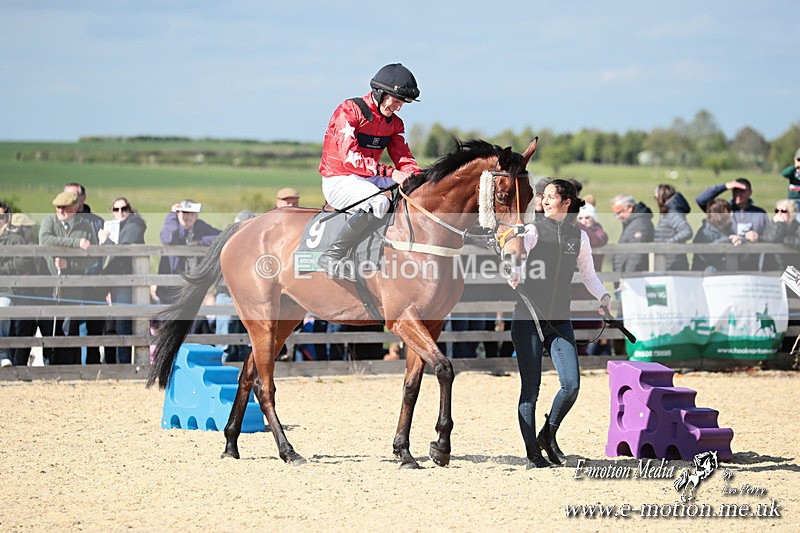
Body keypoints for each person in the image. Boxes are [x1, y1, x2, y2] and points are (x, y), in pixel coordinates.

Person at [508, 179, 611, 468]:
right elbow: (515, 253)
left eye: (551, 197)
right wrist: (513, 270)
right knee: (531, 389)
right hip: (528, 319)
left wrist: (603, 295)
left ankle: (547, 434)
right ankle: (532, 452)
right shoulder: (532, 230)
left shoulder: (579, 237)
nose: (545, 201)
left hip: (559, 321)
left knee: (571, 385)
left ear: (566, 202)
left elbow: (589, 275)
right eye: (545, 197)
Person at [317, 63, 422, 280]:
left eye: (403, 103)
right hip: (339, 178)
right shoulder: (349, 111)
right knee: (380, 203)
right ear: (380, 92)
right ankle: (332, 255)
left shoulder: (395, 124)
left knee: (413, 196)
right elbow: (350, 159)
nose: (399, 107)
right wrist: (391, 173)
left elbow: (403, 157)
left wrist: (418, 178)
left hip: (369, 179)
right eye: (396, 100)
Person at [38, 191, 99, 364]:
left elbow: (92, 257)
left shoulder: (85, 227)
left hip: (73, 288)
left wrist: (69, 265)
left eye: (64, 207)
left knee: (69, 329)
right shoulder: (49, 221)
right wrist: (75, 244)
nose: (60, 211)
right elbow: (45, 240)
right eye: (57, 207)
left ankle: (68, 368)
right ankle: (50, 367)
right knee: (51, 329)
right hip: (49, 288)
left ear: (74, 208)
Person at [98, 197, 147, 364]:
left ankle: (124, 366)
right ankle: (111, 365)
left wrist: (107, 241)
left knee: (122, 325)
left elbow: (124, 250)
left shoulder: (135, 224)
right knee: (110, 326)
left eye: (124, 208)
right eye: (116, 209)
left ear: (130, 209)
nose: (120, 212)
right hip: (113, 282)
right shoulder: (113, 227)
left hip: (127, 282)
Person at [63, 182, 105, 363]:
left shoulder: (97, 222)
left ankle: (93, 369)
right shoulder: (62, 221)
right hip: (69, 283)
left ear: (83, 198)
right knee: (68, 328)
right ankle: (70, 367)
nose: (69, 201)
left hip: (94, 283)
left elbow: (102, 255)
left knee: (93, 328)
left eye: (73, 196)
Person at [156, 199, 221, 305]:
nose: (188, 217)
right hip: (169, 288)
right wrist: (172, 214)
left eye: (192, 213)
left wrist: (199, 242)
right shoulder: (173, 225)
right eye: (184, 213)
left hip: (191, 289)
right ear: (178, 214)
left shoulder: (199, 227)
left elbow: (219, 237)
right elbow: (168, 239)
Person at [0, 202, 36, 367]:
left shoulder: (15, 239)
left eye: (2, 217)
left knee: (4, 307)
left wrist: (4, 267)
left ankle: (3, 355)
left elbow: (25, 261)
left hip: (7, 290)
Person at [695, 178, 768, 255]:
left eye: (742, 191)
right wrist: (725, 186)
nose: (738, 193)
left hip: (752, 263)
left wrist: (758, 238)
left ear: (750, 192)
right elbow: (701, 200)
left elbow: (769, 236)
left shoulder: (760, 213)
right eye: (735, 190)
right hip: (727, 261)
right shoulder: (723, 210)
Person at [574, 203, 609, 356]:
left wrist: (580, 227)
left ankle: (596, 356)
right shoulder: (575, 232)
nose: (584, 221)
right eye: (580, 218)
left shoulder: (598, 233)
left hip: (591, 287)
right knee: (575, 323)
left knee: (594, 324)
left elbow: (598, 239)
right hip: (575, 287)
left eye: (587, 217)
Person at [691, 199, 740, 273]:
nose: (729, 215)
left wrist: (740, 240)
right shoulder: (704, 232)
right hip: (708, 276)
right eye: (725, 212)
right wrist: (727, 240)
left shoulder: (728, 230)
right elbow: (704, 255)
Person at [610, 194, 655, 273]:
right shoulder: (632, 223)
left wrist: (628, 276)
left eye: (619, 212)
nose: (618, 217)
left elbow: (636, 255)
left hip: (633, 278)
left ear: (629, 207)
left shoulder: (640, 225)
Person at [653, 184, 693, 271]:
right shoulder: (670, 212)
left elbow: (687, 231)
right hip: (670, 261)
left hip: (673, 263)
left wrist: (668, 243)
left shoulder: (672, 213)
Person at [760, 199, 800, 272]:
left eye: (783, 211)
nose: (779, 214)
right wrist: (780, 225)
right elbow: (771, 238)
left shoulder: (797, 227)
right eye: (777, 211)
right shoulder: (771, 226)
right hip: (772, 268)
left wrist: (785, 239)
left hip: (793, 270)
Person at [780, 147, 800, 212]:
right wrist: (795, 166)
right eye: (799, 160)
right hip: (792, 199)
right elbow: (784, 174)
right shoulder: (793, 170)